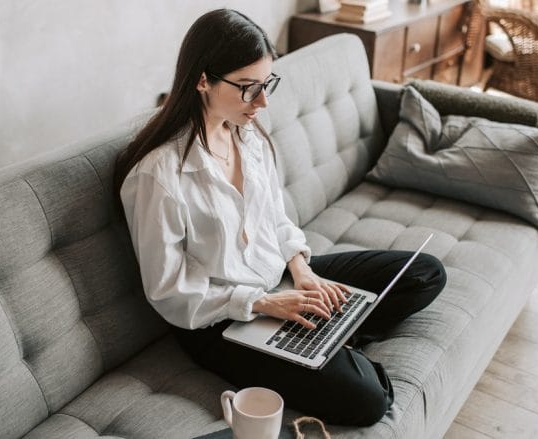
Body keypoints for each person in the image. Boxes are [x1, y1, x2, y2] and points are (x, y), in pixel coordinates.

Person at [115, 8, 446, 426]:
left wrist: (302, 270)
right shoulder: (158, 175)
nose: (263, 101)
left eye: (267, 83)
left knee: (425, 273)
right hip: (220, 320)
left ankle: (324, 335)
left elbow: (276, 218)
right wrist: (264, 304)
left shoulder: (246, 134)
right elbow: (169, 292)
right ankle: (325, 341)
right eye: (249, 88)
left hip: (279, 280)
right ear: (203, 80)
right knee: (369, 401)